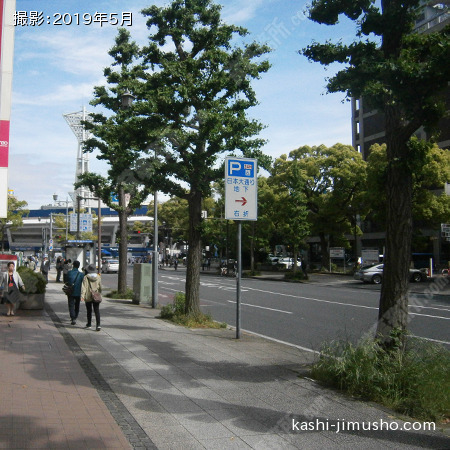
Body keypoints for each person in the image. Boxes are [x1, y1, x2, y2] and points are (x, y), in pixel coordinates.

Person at [81, 264, 102, 331]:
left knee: (89, 310)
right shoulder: (98, 277)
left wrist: (82, 296)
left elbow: (84, 287)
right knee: (97, 310)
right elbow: (100, 287)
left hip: (88, 295)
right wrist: (99, 293)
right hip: (96, 295)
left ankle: (89, 324)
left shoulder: (86, 277)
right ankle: (98, 325)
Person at [66, 260, 84, 325]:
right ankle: (75, 316)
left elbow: (66, 280)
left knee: (71, 305)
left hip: (70, 291)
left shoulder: (69, 273)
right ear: (79, 266)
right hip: (78, 292)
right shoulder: (81, 274)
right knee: (77, 305)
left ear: (73, 265)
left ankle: (72, 317)